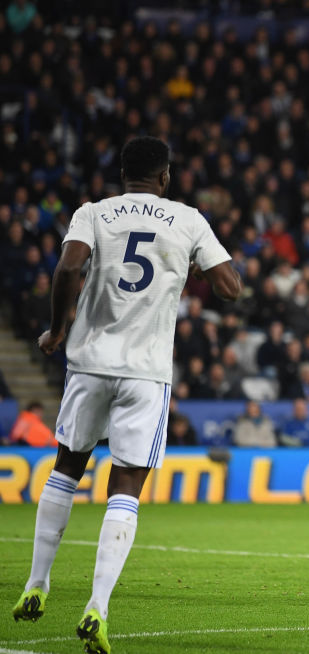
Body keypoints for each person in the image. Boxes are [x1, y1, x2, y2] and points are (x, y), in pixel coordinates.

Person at [10, 136, 240, 654]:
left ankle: (36, 584)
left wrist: (56, 329)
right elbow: (230, 288)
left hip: (89, 361)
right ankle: (98, 606)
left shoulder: (93, 212)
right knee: (126, 488)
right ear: (166, 176)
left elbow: (69, 267)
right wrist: (197, 267)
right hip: (145, 371)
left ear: (122, 175)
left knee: (67, 467)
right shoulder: (188, 219)